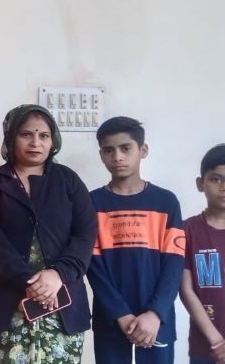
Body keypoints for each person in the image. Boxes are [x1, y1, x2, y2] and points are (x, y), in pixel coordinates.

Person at [0, 105, 97, 363]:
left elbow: (85, 234)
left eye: (43, 135)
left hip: (62, 304)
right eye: (26, 134)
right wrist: (30, 282)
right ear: (11, 138)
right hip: (8, 306)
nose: (36, 143)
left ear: (53, 140)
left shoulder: (68, 181)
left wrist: (58, 274)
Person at [87, 116, 184, 363]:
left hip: (157, 319)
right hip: (110, 317)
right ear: (101, 155)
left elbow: (174, 265)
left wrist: (155, 313)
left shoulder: (166, 202)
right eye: (109, 150)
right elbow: (92, 266)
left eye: (125, 148)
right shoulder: (91, 203)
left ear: (143, 150)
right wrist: (120, 313)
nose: (117, 157)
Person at [181, 144, 225, 364]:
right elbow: (186, 290)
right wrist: (217, 341)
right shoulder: (186, 230)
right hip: (206, 347)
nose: (224, 187)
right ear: (201, 183)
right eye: (216, 179)